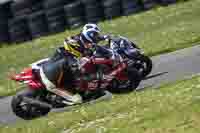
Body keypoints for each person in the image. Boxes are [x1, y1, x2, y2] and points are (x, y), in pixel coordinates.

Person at [39, 23, 117, 105]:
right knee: (77, 100)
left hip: (56, 72)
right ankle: (56, 102)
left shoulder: (78, 42)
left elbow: (92, 41)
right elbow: (79, 73)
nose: (88, 46)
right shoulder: (70, 59)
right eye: (94, 34)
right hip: (52, 83)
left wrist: (105, 37)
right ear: (74, 48)